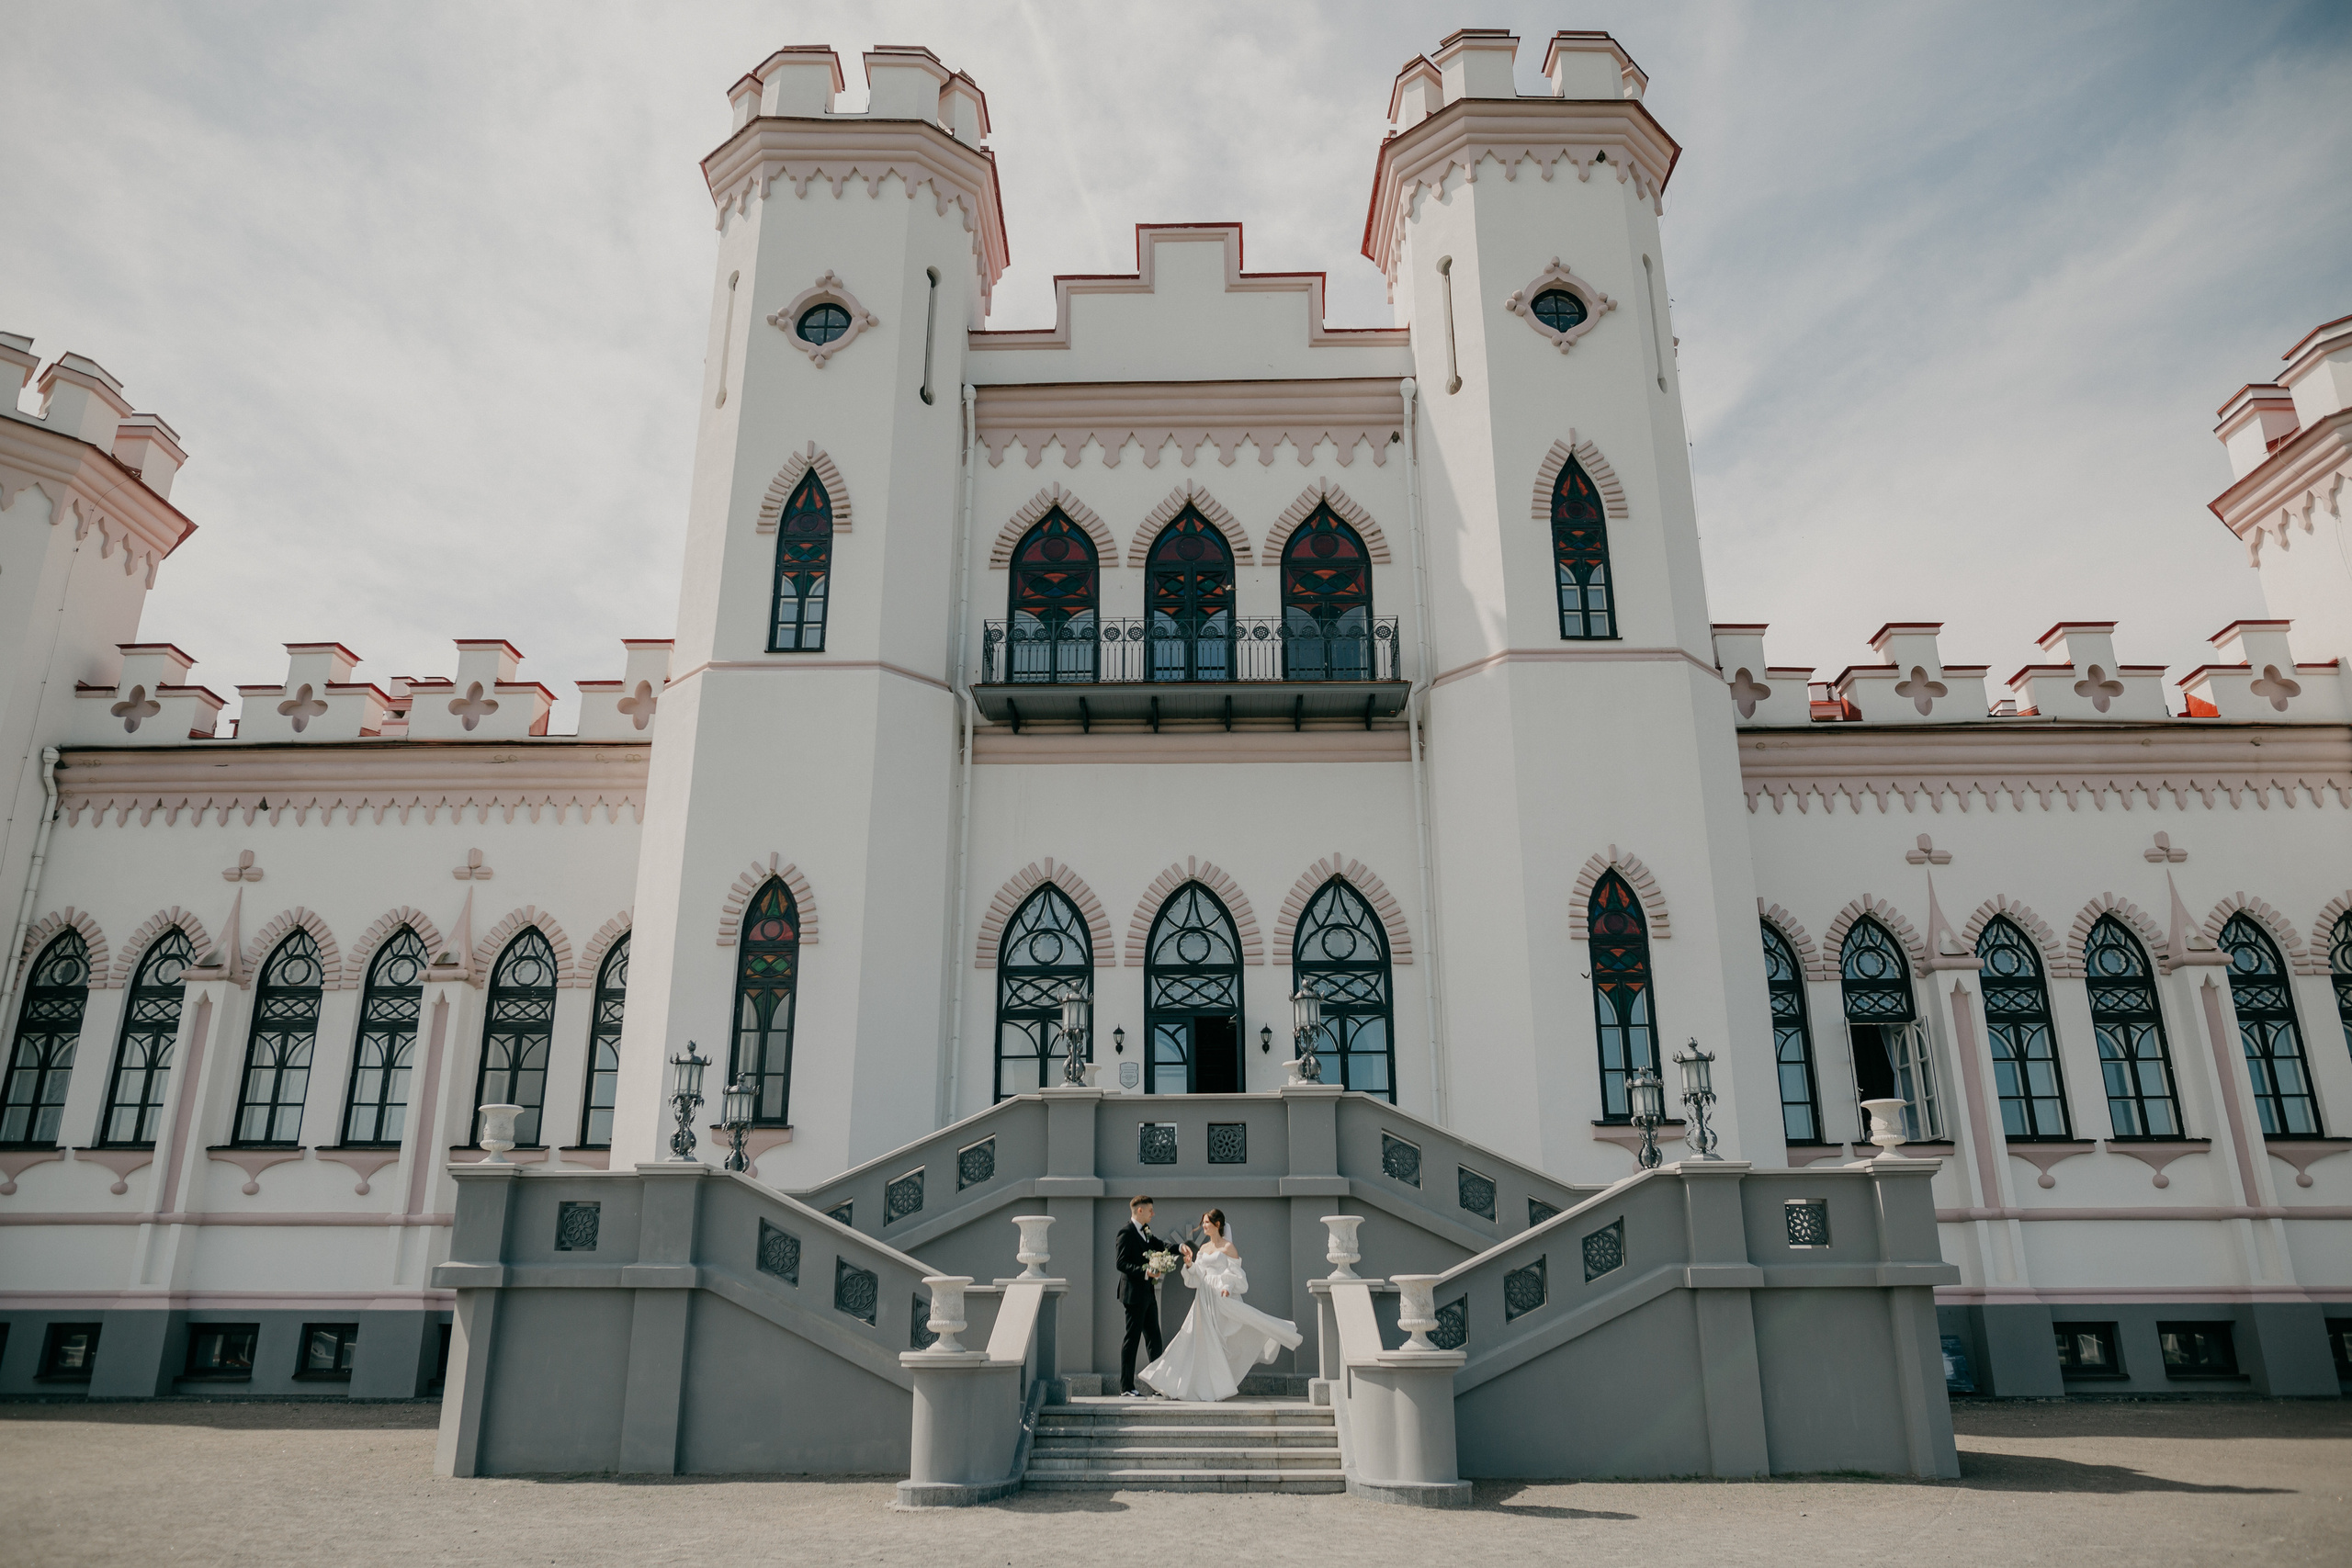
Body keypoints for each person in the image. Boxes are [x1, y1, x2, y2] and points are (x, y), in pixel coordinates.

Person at [1138, 1208, 1302, 1402]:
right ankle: (1183, 1384)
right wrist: (1190, 1265)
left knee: (1219, 1340)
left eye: (1207, 1222)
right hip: (1203, 1298)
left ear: (1217, 1225)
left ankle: (1215, 1388)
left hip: (1221, 1298)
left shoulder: (1228, 1248)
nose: (1204, 1226)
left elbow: (1238, 1277)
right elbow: (1196, 1278)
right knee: (1195, 1340)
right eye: (1203, 1222)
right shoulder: (1204, 1249)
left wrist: (1226, 1286)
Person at [1114, 1195, 1177, 1396]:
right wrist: (1146, 1271)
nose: (1153, 1213)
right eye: (1151, 1210)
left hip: (1148, 1294)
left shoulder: (1147, 1232)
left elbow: (1162, 1246)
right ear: (1140, 1210)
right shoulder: (1126, 1232)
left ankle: (1157, 1386)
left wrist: (1180, 1249)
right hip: (1133, 1295)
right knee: (1131, 1340)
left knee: (1154, 1340)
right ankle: (1126, 1387)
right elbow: (1121, 1263)